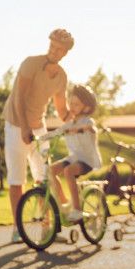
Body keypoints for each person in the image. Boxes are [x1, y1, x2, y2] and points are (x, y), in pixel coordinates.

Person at [3, 28, 74, 243]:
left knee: (44, 178)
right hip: (16, 125)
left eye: (59, 49)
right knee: (17, 180)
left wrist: (78, 119)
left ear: (65, 53)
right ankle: (18, 229)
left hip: (39, 128)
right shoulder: (30, 64)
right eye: (52, 45)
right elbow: (18, 98)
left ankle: (47, 229)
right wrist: (25, 128)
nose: (53, 50)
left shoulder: (61, 76)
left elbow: (62, 110)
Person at [48, 84, 103, 221]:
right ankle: (65, 203)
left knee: (68, 171)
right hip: (74, 158)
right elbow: (56, 132)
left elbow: (91, 127)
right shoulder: (70, 123)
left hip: (87, 161)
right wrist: (38, 137)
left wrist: (81, 129)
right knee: (50, 171)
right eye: (71, 103)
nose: (72, 107)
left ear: (87, 108)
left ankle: (77, 210)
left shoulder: (88, 121)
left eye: (76, 104)